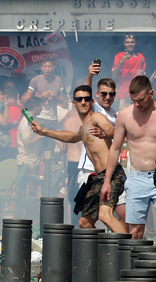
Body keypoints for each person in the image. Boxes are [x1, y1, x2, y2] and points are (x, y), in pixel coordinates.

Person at [102, 76, 156, 254]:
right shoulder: (125, 115)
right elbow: (115, 149)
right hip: (137, 177)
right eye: (134, 101)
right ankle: (135, 273)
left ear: (151, 94)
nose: (137, 104)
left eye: (140, 100)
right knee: (135, 232)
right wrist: (107, 181)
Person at [32, 85, 126, 233]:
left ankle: (130, 251)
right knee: (85, 223)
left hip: (112, 174)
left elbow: (111, 130)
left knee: (105, 216)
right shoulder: (84, 128)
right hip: (97, 178)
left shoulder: (96, 117)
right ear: (73, 103)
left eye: (86, 99)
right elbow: (71, 137)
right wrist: (44, 131)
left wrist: (104, 134)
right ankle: (102, 253)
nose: (83, 102)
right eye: (79, 99)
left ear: (92, 101)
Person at [82, 62, 127, 225]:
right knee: (89, 220)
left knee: (123, 214)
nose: (107, 97)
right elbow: (84, 94)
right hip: (90, 170)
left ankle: (119, 247)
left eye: (111, 94)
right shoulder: (92, 109)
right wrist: (90, 76)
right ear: (97, 94)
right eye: (104, 94)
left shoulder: (116, 115)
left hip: (112, 171)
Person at [21, 59, 66, 130]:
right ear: (42, 68)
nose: (47, 69)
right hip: (39, 116)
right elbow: (28, 99)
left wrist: (55, 96)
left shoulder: (58, 80)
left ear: (53, 67)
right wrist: (41, 97)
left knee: (54, 140)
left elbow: (62, 100)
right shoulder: (35, 80)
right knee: (39, 139)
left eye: (49, 66)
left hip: (53, 117)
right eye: (45, 66)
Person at [112, 34, 146, 100]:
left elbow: (144, 79)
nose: (130, 44)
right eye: (127, 42)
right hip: (123, 95)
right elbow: (114, 76)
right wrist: (121, 61)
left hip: (137, 94)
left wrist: (142, 74)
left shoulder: (140, 56)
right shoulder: (119, 56)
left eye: (132, 42)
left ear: (135, 43)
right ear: (124, 44)